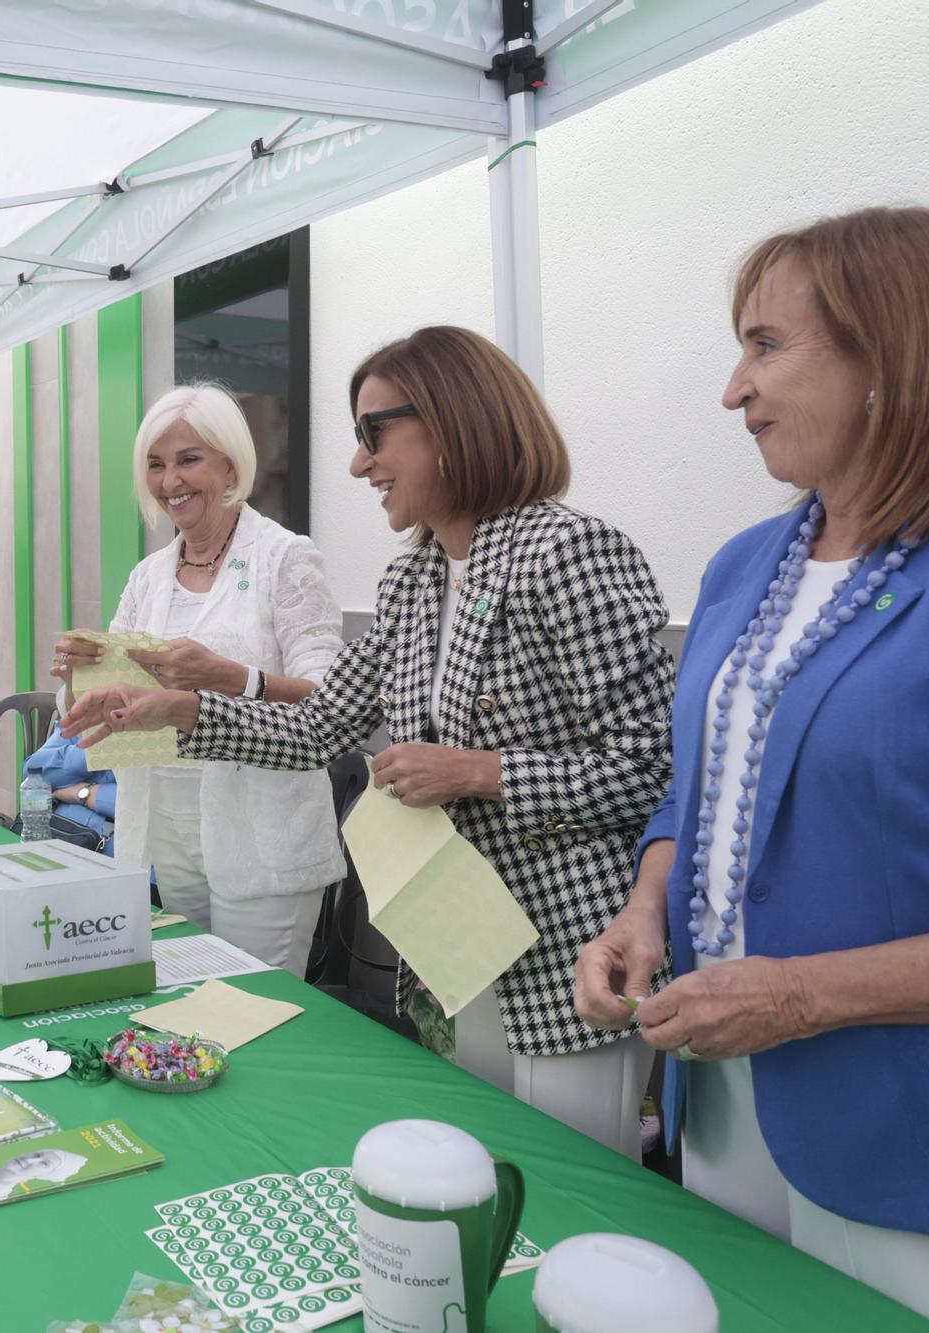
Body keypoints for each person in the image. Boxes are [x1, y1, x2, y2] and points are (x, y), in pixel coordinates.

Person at [573, 207, 929, 1330]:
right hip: (724, 1112)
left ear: (890, 356)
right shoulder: (744, 563)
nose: (730, 390)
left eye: (763, 345)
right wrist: (643, 906)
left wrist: (798, 993)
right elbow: (695, 794)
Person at [66, 333, 674, 1158]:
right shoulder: (412, 578)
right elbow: (320, 727)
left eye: (371, 434)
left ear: (451, 424)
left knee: (574, 1180)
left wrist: (479, 772)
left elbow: (652, 770)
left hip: (570, 951)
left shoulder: (569, 552)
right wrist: (181, 710)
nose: (359, 465)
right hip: (459, 939)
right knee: (487, 1170)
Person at [51, 384, 345, 979]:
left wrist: (230, 677)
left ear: (231, 465)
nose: (169, 482)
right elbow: (110, 713)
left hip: (264, 832)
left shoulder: (285, 559)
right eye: (155, 465)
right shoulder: (149, 575)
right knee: (196, 1001)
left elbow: (332, 699)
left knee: (263, 1011)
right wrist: (81, 681)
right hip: (168, 825)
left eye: (188, 460)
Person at [22, 721, 117, 854]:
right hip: (49, 836)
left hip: (110, 852)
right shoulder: (90, 718)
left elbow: (140, 805)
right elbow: (33, 772)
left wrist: (84, 793)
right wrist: (98, 747)